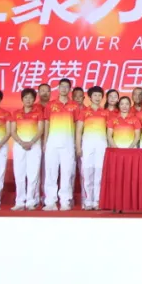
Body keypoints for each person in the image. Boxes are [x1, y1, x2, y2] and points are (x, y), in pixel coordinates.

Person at [43, 78, 79, 211]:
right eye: (61, 86)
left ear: (70, 89)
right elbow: (47, 123)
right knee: (50, 173)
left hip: (68, 143)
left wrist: (76, 144)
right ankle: (50, 201)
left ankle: (65, 201)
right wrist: (45, 142)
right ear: (58, 88)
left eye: (66, 87)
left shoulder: (74, 106)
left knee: (66, 173)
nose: (64, 89)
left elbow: (77, 125)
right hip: (52, 143)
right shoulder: (50, 105)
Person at [11, 88, 44, 211]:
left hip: (34, 146)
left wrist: (31, 142)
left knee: (33, 174)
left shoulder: (38, 113)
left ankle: (31, 201)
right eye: (25, 97)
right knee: (19, 173)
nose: (28, 100)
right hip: (19, 146)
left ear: (34, 99)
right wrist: (21, 142)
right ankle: (19, 201)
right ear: (22, 99)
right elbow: (13, 131)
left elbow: (40, 130)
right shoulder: (16, 113)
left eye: (30, 98)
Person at [76, 86, 109, 210]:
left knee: (99, 174)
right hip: (87, 146)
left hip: (101, 146)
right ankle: (88, 200)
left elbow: (109, 132)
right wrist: (78, 147)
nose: (97, 98)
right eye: (95, 95)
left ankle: (97, 200)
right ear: (90, 97)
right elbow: (79, 131)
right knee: (87, 173)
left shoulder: (106, 113)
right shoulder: (84, 112)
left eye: (99, 95)